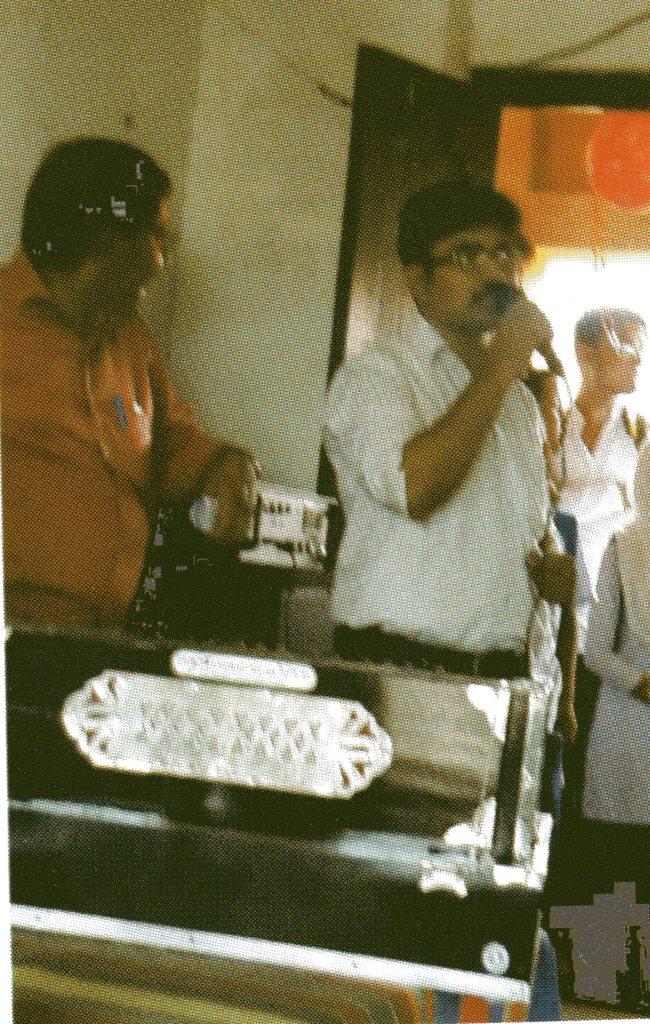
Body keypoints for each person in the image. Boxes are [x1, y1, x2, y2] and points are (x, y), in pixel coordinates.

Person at [324, 179, 567, 1022]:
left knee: (494, 921)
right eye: (466, 254)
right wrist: (502, 366)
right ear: (417, 280)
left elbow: (524, 540)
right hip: (405, 681)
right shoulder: (376, 377)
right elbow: (416, 486)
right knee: (407, 916)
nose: (493, 271)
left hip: (504, 689)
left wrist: (551, 588)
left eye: (504, 251)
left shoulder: (520, 410)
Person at [0, 137, 258, 630]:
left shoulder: (132, 341)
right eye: (158, 236)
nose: (162, 262)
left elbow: (177, 446)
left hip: (108, 633)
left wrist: (228, 465)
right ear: (107, 236)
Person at [578, 443, 650, 898]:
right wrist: (641, 683)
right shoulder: (623, 549)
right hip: (625, 730)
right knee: (615, 881)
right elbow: (594, 651)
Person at [558, 307, 646, 651]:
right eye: (625, 345)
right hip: (551, 624)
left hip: (618, 635)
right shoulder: (552, 426)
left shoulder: (640, 437)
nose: (638, 358)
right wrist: (615, 494)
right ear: (585, 351)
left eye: (642, 348)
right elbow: (540, 514)